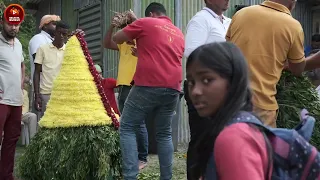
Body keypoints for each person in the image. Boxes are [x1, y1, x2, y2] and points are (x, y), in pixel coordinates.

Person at [112, 2, 185, 179]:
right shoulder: (178, 32)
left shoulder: (145, 22)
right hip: (173, 87)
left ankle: (130, 176)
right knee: (164, 133)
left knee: (127, 127)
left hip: (149, 85)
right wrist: (143, 51)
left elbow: (117, 38)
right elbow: (164, 55)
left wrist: (131, 23)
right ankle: (166, 177)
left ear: (151, 14)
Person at [226, 0, 320, 128]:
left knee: (228, 143)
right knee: (260, 146)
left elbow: (227, 50)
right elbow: (297, 69)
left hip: (229, 99)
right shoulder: (293, 26)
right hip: (261, 105)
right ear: (293, 3)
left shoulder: (241, 14)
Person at [186, 42, 268, 180]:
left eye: (207, 80)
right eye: (191, 82)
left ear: (233, 81)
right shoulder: (239, 125)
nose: (195, 91)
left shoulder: (234, 138)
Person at [183, 0, 230, 177]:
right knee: (201, 139)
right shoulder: (201, 20)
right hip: (203, 90)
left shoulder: (228, 22)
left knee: (219, 139)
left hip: (222, 90)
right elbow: (192, 52)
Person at [103, 15, 148, 169]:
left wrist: (135, 19)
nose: (126, 30)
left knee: (139, 122)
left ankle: (142, 158)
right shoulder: (123, 43)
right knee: (127, 123)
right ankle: (131, 156)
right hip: (122, 86)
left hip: (135, 84)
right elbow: (107, 43)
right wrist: (112, 27)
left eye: (129, 27)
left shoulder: (142, 41)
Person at [0, 13, 25, 179]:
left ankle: (6, 176)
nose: (13, 27)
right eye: (10, 24)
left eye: (16, 24)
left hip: (16, 101)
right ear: (2, 22)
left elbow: (22, 66)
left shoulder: (19, 44)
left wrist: (21, 85)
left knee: (11, 141)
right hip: (1, 100)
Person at [33, 21, 70, 118]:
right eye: (59, 32)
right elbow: (36, 72)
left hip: (63, 94)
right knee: (45, 125)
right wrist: (37, 95)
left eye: (64, 34)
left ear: (67, 35)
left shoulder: (69, 51)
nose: (61, 36)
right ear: (55, 32)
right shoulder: (42, 49)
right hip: (46, 93)